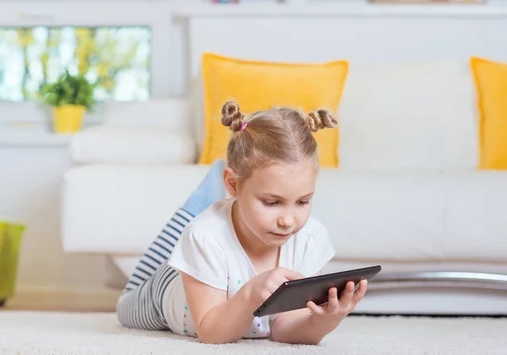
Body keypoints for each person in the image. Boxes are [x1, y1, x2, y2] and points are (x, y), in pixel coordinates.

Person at [117, 101, 368, 345]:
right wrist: (250, 293)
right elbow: (210, 332)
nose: (288, 220)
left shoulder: (310, 237)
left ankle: (205, 203)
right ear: (233, 184)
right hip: (164, 292)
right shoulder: (205, 236)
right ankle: (196, 206)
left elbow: (284, 328)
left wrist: (324, 321)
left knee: (199, 231)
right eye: (271, 202)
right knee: (125, 306)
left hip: (206, 254)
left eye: (303, 201)